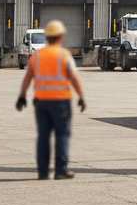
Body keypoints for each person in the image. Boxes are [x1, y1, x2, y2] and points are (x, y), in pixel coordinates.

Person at [15, 20, 86, 179]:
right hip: (61, 102)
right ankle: (60, 170)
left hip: (41, 102)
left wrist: (22, 96)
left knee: (43, 136)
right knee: (62, 135)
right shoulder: (63, 55)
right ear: (60, 37)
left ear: (47, 37)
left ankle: (42, 171)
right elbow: (74, 78)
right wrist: (81, 96)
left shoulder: (37, 56)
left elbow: (28, 77)